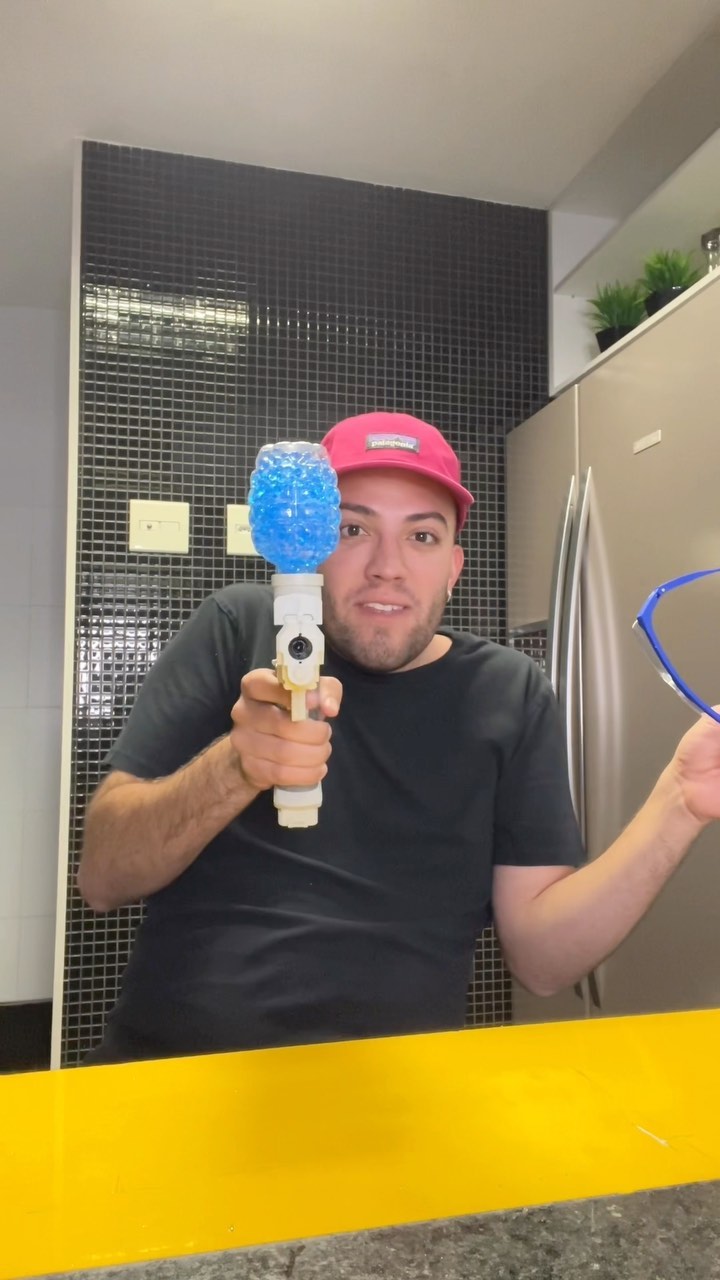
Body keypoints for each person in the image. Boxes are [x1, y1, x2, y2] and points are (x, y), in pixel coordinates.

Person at [79, 411, 720, 1064]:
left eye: (422, 536)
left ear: (453, 566)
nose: (387, 567)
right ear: (312, 542)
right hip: (180, 1070)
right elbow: (103, 877)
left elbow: (543, 963)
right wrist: (235, 768)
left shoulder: (509, 692)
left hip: (405, 1085)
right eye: (353, 529)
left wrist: (681, 800)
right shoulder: (238, 628)